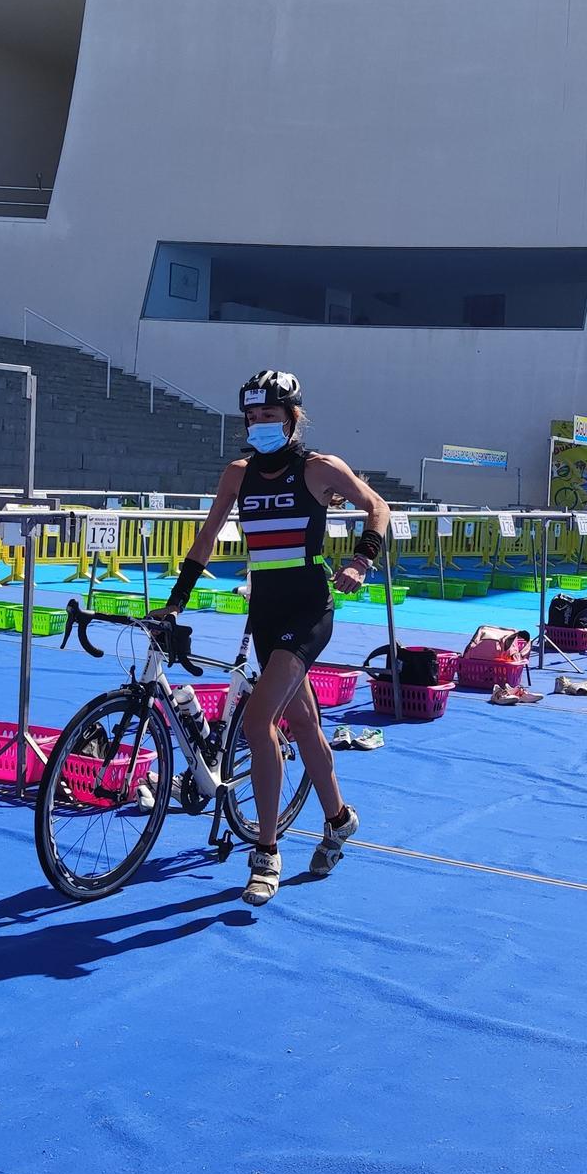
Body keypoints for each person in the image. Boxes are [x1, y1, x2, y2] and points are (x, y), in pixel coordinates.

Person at [155, 370, 390, 905]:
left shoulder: (319, 468)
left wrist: (361, 560)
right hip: (265, 608)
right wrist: (176, 601)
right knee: (305, 725)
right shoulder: (237, 474)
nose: (260, 425)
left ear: (292, 418)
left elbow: (379, 507)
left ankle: (265, 851)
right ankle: (339, 817)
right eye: (252, 417)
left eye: (270, 416)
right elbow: (207, 537)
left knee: (259, 722)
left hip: (309, 606)